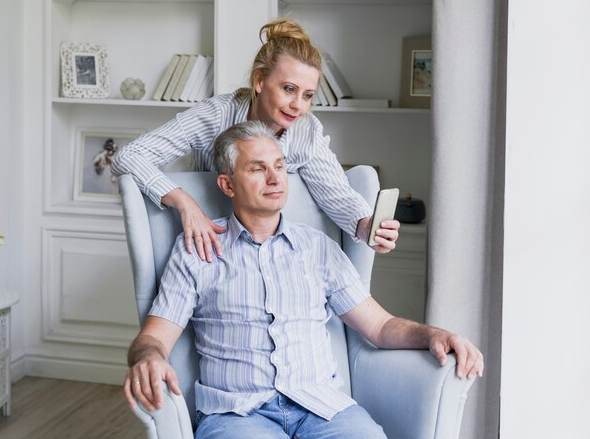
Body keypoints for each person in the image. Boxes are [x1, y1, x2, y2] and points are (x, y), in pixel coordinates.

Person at [124, 121, 484, 439]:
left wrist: (435, 335)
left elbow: (380, 327)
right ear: (227, 184)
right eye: (257, 168)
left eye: (279, 166)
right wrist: (148, 359)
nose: (275, 178)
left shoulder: (318, 248)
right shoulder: (197, 251)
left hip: (323, 409)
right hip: (239, 416)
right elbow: (153, 338)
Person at [111, 18, 400, 263]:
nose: (298, 105)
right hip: (208, 246)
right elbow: (128, 157)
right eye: (289, 89)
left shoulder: (306, 130)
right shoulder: (216, 114)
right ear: (260, 81)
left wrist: (366, 227)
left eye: (308, 95)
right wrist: (185, 201)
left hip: (273, 252)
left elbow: (335, 192)